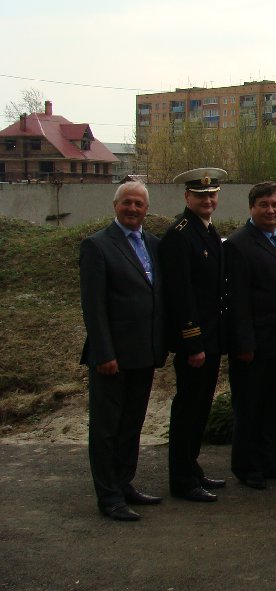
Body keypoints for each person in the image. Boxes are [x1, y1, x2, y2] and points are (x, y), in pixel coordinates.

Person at [79, 181, 166, 521]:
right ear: (115, 205)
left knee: (132, 423)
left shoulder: (154, 244)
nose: (133, 209)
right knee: (106, 428)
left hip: (144, 353)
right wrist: (104, 353)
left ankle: (124, 482)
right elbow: (93, 305)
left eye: (139, 204)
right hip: (112, 356)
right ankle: (109, 496)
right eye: (127, 202)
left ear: (147, 209)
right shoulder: (97, 245)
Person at [225, 181, 276, 489]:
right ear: (251, 208)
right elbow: (237, 300)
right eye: (264, 205)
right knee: (250, 408)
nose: (270, 210)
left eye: (275, 205)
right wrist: (243, 343)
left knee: (272, 407)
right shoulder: (238, 244)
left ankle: (270, 461)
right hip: (254, 345)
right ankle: (246, 467)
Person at [160, 167, 228, 502]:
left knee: (200, 408)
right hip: (195, 342)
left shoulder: (207, 230)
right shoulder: (180, 234)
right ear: (187, 196)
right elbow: (181, 294)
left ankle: (192, 467)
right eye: (201, 196)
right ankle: (182, 479)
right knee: (188, 410)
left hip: (211, 338)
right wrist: (193, 343)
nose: (208, 200)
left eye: (212, 195)